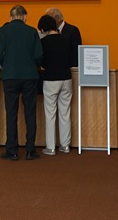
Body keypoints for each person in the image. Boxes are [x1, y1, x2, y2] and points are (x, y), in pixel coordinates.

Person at [0, 5, 43, 161]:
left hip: (10, 76)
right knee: (30, 113)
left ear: (10, 17)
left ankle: (12, 150)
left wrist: (7, 64)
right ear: (25, 16)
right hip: (30, 76)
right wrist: (33, 65)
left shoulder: (3, 31)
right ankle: (30, 150)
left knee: (11, 113)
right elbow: (38, 54)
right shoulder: (32, 32)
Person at [37, 14, 73, 155]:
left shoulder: (43, 42)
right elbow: (71, 59)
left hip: (51, 79)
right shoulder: (65, 39)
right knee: (65, 112)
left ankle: (51, 147)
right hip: (67, 78)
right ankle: (65, 145)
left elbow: (41, 62)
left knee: (50, 113)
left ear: (43, 29)